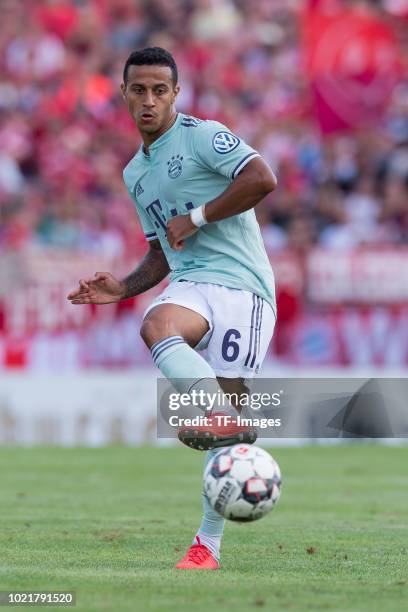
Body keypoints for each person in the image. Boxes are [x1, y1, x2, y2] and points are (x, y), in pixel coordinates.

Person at [67, 47, 277, 570]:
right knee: (156, 323)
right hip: (191, 282)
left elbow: (262, 178)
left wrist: (200, 216)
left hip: (244, 289)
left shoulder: (204, 135)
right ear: (124, 94)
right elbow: (163, 251)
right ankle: (219, 414)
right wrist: (124, 286)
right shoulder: (135, 173)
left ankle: (207, 546)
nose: (149, 99)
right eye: (139, 89)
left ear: (175, 94)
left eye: (160, 89)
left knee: (228, 435)